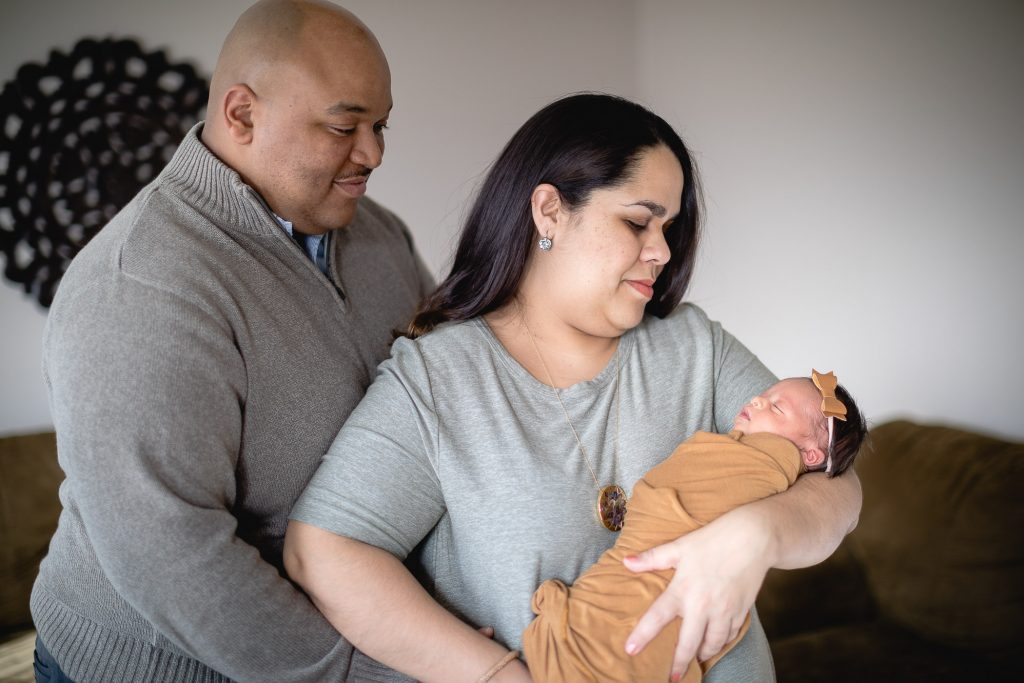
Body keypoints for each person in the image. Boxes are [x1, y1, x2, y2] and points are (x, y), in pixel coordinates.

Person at [284, 93, 863, 683]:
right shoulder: (438, 381)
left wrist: (756, 534)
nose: (662, 251)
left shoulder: (697, 349)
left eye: (669, 226)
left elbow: (841, 490)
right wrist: (493, 675)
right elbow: (324, 551)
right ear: (549, 211)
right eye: (638, 221)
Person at [31, 1, 432, 681]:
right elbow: (175, 560)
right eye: (344, 126)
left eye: (380, 124)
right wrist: (374, 669)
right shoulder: (141, 283)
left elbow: (443, 392)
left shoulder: (380, 235)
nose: (374, 153)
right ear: (242, 114)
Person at [522, 372, 867, 683]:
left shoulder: (766, 460)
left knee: (628, 644)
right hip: (612, 606)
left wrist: (757, 530)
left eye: (777, 409)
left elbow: (844, 490)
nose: (758, 398)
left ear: (809, 456)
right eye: (766, 394)